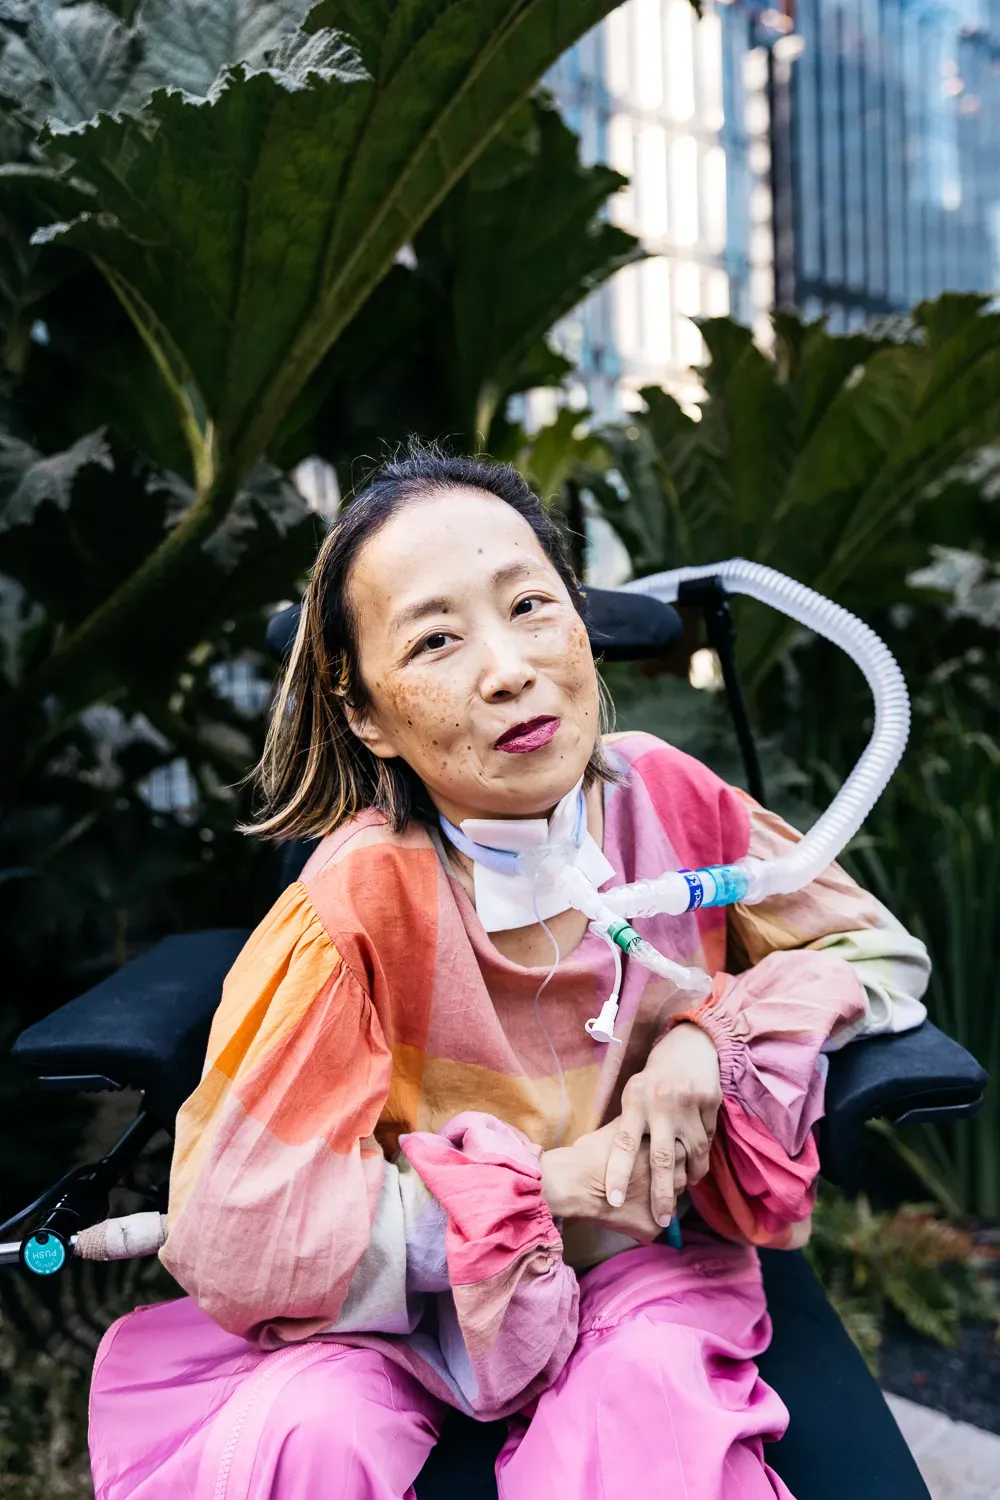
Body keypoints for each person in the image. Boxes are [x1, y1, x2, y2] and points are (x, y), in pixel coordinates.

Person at [88, 448, 930, 1500]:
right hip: (405, 1305)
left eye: (529, 605)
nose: (506, 669)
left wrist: (704, 1044)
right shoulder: (354, 909)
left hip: (638, 1271)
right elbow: (238, 1230)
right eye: (436, 639)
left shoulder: (668, 803)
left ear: (578, 623)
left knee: (651, 1426)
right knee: (302, 1440)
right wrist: (544, 1191)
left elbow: (877, 955)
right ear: (365, 714)